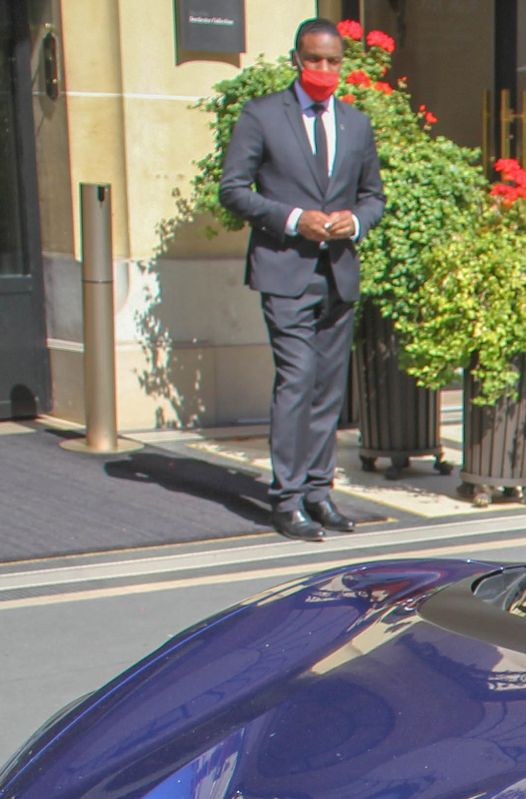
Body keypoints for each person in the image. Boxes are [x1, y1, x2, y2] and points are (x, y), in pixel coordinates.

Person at [219, 19, 386, 540]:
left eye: (333, 61)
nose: (324, 70)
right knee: (296, 380)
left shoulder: (356, 123)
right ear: (297, 59)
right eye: (314, 60)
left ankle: (320, 494)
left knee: (328, 387)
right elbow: (233, 189)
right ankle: (286, 499)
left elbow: (373, 196)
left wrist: (354, 221)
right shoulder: (263, 115)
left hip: (338, 273)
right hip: (284, 268)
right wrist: (295, 219)